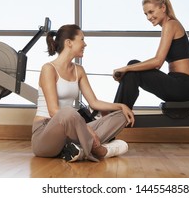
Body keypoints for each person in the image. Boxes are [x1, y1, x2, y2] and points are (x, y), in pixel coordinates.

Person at [32, 24, 135, 163]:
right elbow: (53, 111)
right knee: (67, 112)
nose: (85, 44)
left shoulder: (79, 70)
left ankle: (78, 150)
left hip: (72, 128)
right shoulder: (48, 69)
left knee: (121, 116)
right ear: (69, 42)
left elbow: (94, 103)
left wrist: (121, 106)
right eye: (82, 39)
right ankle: (99, 150)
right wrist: (86, 129)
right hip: (45, 133)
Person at [113, 0, 189, 109]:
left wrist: (126, 68)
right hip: (177, 83)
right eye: (146, 14)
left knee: (132, 65)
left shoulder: (170, 24)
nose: (148, 17)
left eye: (151, 12)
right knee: (133, 69)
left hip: (182, 87)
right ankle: (118, 111)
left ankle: (116, 113)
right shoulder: (169, 25)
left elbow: (157, 62)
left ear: (163, 8)